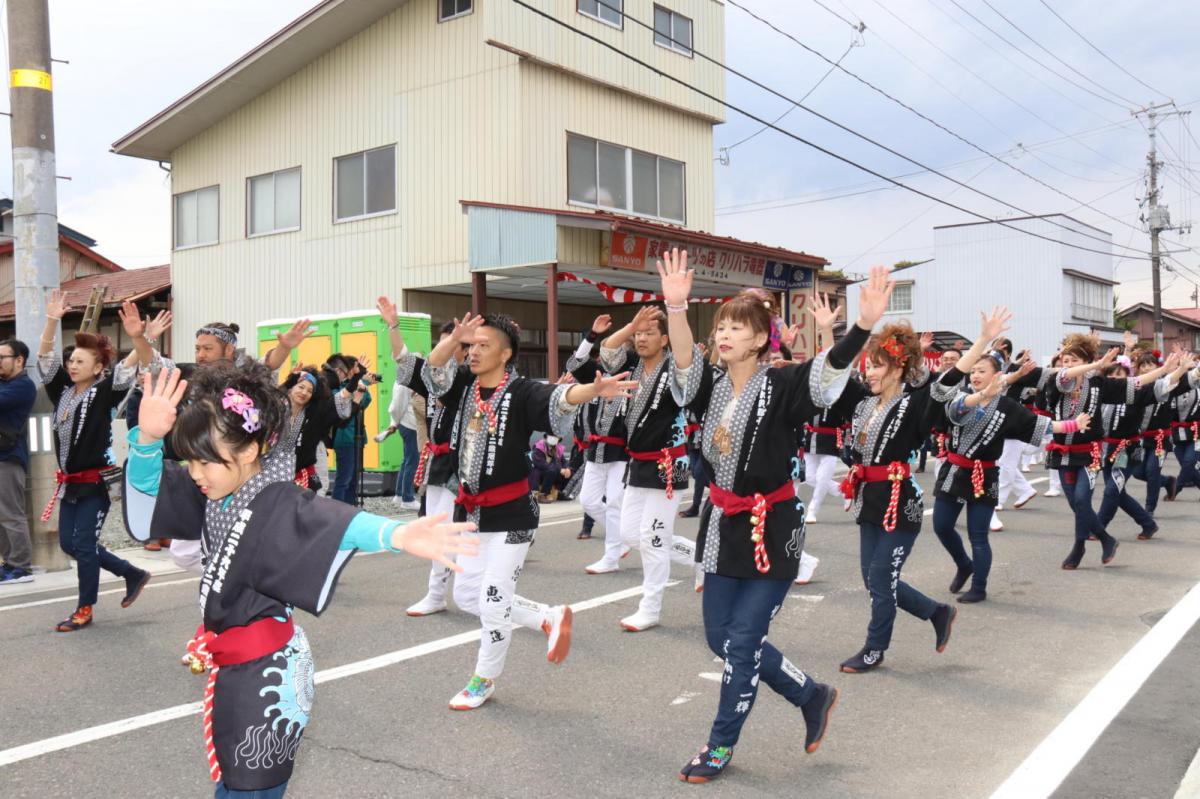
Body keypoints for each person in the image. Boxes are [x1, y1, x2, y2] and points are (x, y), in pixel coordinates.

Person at [123, 364, 477, 798]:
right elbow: (148, 496)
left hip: (267, 672)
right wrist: (145, 441)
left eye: (205, 460)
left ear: (250, 450)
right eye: (190, 460)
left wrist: (398, 534)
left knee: (249, 786)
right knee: (235, 782)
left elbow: (332, 521)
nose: (195, 472)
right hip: (236, 667)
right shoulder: (214, 494)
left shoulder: (273, 499)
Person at [672, 259, 893, 784]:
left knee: (742, 642)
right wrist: (677, 307)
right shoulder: (711, 384)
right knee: (718, 637)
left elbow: (831, 370)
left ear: (759, 339)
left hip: (772, 526)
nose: (725, 334)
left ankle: (720, 745)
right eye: (720, 325)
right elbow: (684, 361)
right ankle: (810, 693)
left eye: (737, 327)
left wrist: (858, 327)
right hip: (722, 525)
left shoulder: (787, 382)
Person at [422, 310, 637, 709]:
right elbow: (432, 370)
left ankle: (483, 679)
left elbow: (559, 396)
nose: (474, 352)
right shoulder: (464, 386)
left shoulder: (521, 392)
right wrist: (455, 340)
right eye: (472, 345)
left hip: (513, 515)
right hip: (469, 514)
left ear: (506, 355)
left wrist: (591, 390)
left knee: (491, 602)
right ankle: (546, 616)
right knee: (468, 597)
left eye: (484, 346)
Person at [825, 321, 964, 673]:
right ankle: (937, 612)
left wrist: (980, 341)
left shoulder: (915, 404)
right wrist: (828, 332)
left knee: (882, 579)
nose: (869, 371)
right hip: (868, 498)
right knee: (872, 579)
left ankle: (875, 649)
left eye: (877, 365)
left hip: (900, 504)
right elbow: (833, 373)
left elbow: (949, 380)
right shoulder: (862, 405)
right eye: (868, 364)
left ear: (898, 367)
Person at [931, 310, 1091, 604]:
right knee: (941, 526)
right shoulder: (961, 395)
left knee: (978, 536)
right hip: (954, 470)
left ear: (997, 375)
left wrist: (1073, 424)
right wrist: (979, 395)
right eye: (974, 371)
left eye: (983, 371)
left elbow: (1040, 426)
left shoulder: (1008, 407)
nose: (976, 375)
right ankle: (964, 565)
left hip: (985, 475)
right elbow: (956, 411)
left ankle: (979, 586)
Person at [36, 294, 158, 631]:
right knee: (68, 544)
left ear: (98, 368)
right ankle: (131, 572)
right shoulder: (61, 390)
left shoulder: (108, 391)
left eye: (79, 361)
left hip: (96, 482)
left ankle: (84, 609)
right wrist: (51, 321)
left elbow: (131, 366)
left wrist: (141, 337)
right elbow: (44, 357)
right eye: (71, 360)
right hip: (70, 482)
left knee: (85, 545)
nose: (72, 365)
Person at [599, 300, 706, 631]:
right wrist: (630, 326)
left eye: (650, 333)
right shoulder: (631, 369)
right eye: (639, 334)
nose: (642, 339)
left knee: (654, 537)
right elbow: (606, 348)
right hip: (638, 463)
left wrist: (675, 313)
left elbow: (688, 357)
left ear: (665, 339)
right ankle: (702, 559)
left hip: (669, 463)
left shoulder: (676, 369)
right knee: (632, 534)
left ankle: (650, 607)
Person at [1042, 335, 1131, 570]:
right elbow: (1064, 376)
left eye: (1072, 360)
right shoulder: (1058, 381)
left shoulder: (1098, 384)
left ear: (1084, 361)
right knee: (1076, 504)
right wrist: (1095, 365)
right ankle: (1106, 539)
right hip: (1063, 452)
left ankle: (1078, 547)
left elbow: (1136, 385)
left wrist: (1172, 373)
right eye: (1065, 360)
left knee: (1082, 500)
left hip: (1089, 453)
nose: (1067, 365)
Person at [565, 315, 632, 569]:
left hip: (622, 450)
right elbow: (573, 363)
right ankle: (623, 537)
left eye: (616, 351)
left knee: (615, 501)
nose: (611, 355)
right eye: (607, 351)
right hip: (595, 447)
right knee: (589, 501)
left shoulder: (632, 374)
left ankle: (612, 555)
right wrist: (592, 335)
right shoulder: (595, 375)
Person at [1095, 355, 1179, 540]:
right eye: (1112, 375)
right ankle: (1148, 524)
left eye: (1120, 375)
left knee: (1111, 490)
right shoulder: (1101, 395)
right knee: (1118, 493)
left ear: (1129, 377)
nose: (1115, 378)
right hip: (1106, 451)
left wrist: (1174, 370)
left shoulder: (1138, 393)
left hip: (1128, 450)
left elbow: (1163, 386)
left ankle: (1099, 527)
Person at [0, 338, 38, 584]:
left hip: (9, 457)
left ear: (19, 360)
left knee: (11, 513)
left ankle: (21, 566)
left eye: (2, 357)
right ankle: (8, 562)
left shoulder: (23, 386)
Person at [281, 366, 347, 492]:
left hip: (302, 471)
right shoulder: (277, 410)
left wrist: (355, 383)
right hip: (274, 471)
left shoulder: (312, 415)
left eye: (309, 391)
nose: (304, 392)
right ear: (291, 388)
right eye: (301, 387)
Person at [328, 354, 374, 505]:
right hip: (344, 438)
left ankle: (351, 509)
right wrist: (359, 384)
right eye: (353, 368)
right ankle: (337, 511)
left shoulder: (352, 384)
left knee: (354, 478)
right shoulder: (336, 387)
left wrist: (363, 386)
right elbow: (343, 405)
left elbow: (364, 403)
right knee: (344, 478)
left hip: (358, 435)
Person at [380, 380, 420, 511]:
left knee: (407, 460)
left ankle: (399, 494)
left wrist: (394, 422)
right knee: (412, 461)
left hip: (406, 422)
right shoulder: (405, 380)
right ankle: (407, 498)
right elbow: (396, 406)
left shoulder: (400, 379)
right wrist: (394, 422)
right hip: (410, 423)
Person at [529, 432, 571, 502]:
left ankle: (560, 492)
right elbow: (541, 464)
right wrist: (559, 469)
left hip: (553, 470)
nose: (554, 438)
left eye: (556, 437)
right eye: (552, 436)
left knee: (569, 472)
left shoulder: (558, 449)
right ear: (546, 436)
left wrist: (567, 469)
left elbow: (564, 461)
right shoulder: (539, 447)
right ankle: (543, 495)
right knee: (551, 471)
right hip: (539, 473)